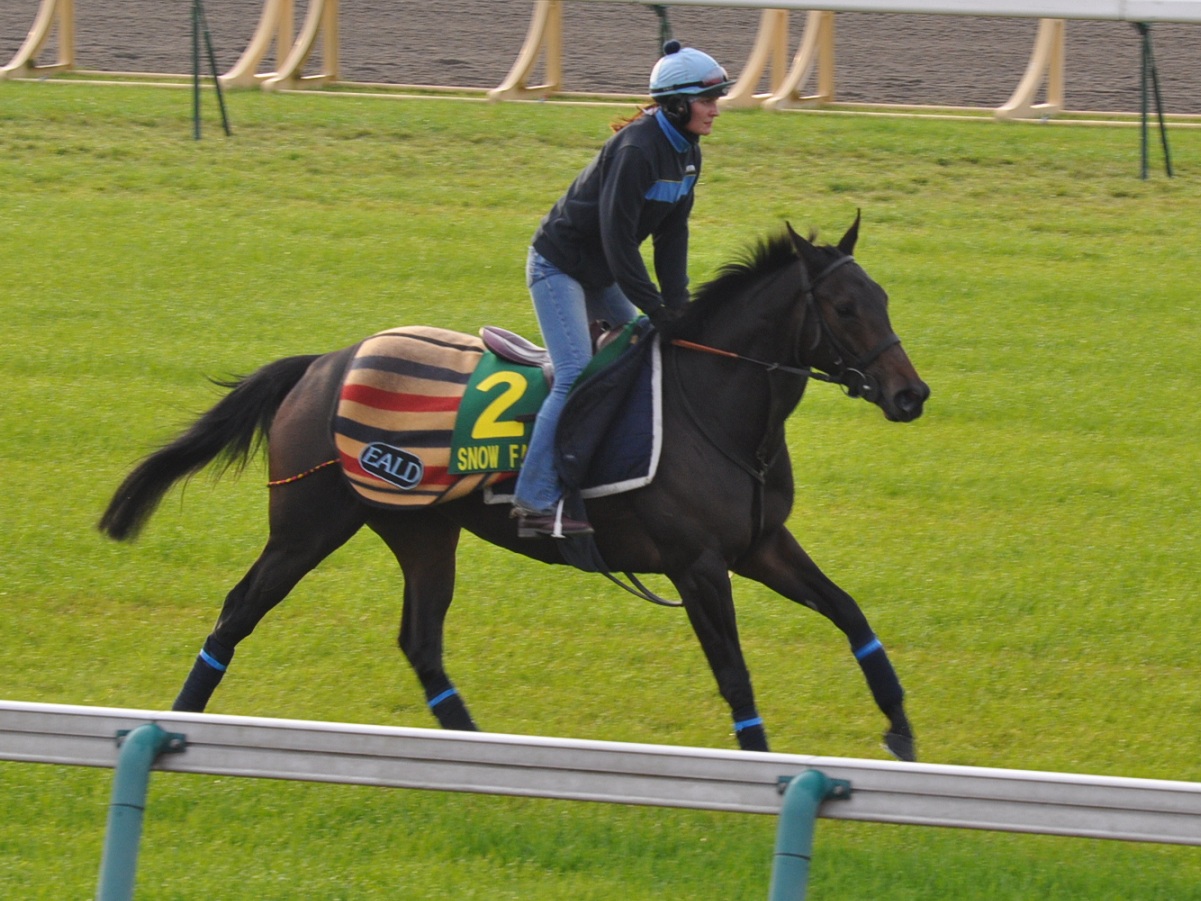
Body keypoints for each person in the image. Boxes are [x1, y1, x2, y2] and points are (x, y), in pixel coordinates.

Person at [512, 40, 733, 539]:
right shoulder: (637, 150)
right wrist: (654, 307)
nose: (716, 110)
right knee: (574, 372)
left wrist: (678, 306)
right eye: (707, 100)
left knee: (640, 354)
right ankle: (534, 502)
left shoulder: (687, 152)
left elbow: (672, 235)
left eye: (717, 99)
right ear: (675, 105)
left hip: (601, 272)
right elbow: (618, 241)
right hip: (558, 266)